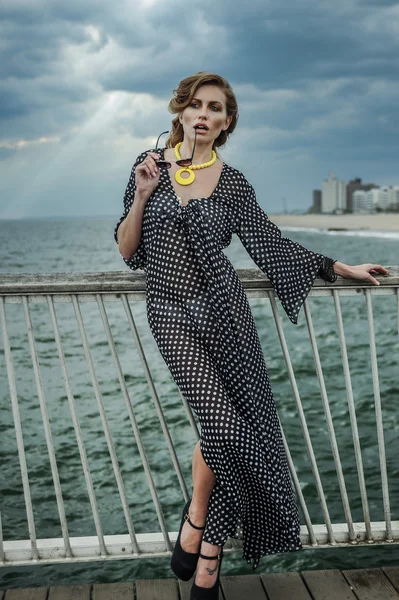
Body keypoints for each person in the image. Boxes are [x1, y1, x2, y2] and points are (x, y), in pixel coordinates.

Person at [114, 72, 387, 599]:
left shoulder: (234, 183)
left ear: (226, 121)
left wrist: (339, 266)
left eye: (215, 108)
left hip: (226, 314)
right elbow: (127, 251)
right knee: (230, 430)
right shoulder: (147, 167)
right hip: (171, 313)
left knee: (219, 431)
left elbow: (271, 246)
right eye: (195, 105)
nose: (203, 114)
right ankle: (200, 522)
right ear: (181, 113)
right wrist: (143, 194)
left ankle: (207, 552)